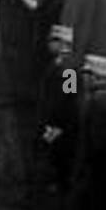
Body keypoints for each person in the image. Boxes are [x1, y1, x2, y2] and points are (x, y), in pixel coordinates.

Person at [50, 53, 106, 210]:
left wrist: (83, 165)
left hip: (90, 169)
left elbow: (96, 142)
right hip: (96, 169)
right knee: (91, 209)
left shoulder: (95, 103)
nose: (83, 77)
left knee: (80, 207)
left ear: (95, 77)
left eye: (87, 74)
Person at [35, 24, 79, 196]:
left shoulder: (68, 68)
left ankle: (61, 188)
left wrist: (57, 126)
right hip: (53, 119)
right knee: (51, 152)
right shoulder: (60, 62)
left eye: (53, 40)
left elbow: (69, 99)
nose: (49, 44)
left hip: (60, 122)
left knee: (59, 154)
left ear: (62, 43)